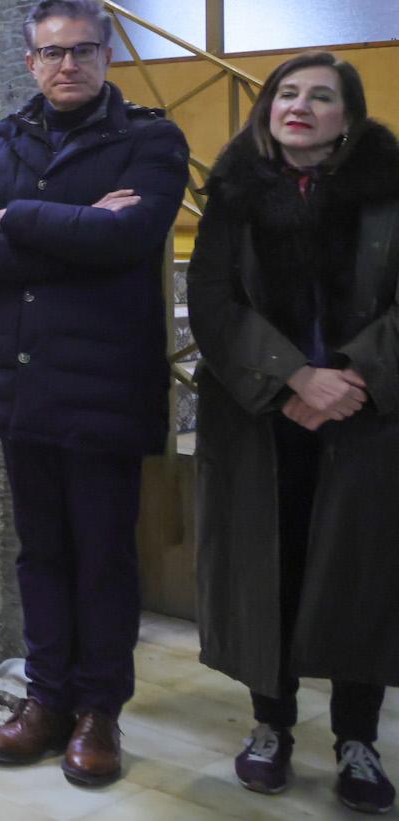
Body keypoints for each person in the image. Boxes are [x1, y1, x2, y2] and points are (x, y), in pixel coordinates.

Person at [0, 0, 189, 787]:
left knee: (104, 555)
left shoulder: (150, 139)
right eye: (52, 51)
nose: (67, 63)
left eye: (82, 49)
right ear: (30, 61)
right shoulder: (0, 139)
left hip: (106, 383)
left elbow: (132, 235)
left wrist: (15, 217)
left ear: (106, 55)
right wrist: (73, 227)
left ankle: (98, 711)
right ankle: (45, 699)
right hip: (22, 384)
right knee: (41, 552)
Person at [187, 52, 398, 814]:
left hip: (366, 418)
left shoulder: (387, 192)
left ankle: (357, 740)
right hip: (261, 418)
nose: (298, 105)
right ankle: (270, 726)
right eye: (285, 92)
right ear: (267, 106)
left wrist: (352, 374)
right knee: (268, 571)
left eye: (321, 95)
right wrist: (295, 380)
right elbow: (211, 301)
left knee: (358, 577)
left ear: (350, 115)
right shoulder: (235, 194)